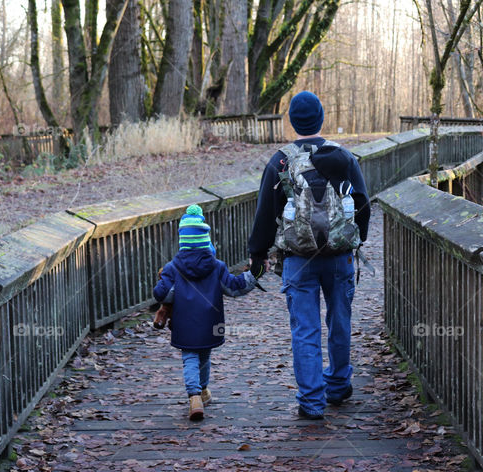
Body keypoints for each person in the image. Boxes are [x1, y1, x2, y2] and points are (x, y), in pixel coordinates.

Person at [248, 91, 370, 419]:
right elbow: (362, 203)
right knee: (339, 321)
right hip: (340, 255)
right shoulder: (344, 156)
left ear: (292, 120)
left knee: (305, 329)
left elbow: (265, 213)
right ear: (321, 118)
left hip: (298, 259)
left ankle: (312, 402)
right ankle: (339, 386)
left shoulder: (281, 161)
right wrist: (356, 240)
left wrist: (257, 255)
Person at [153, 204, 257, 421]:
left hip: (184, 322)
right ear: (206, 241)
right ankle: (204, 390)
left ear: (182, 241)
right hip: (210, 322)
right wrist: (254, 274)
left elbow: (161, 295)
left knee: (189, 356)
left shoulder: (173, 267)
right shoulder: (217, 266)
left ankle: (194, 396)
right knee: (204, 355)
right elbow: (234, 287)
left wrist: (164, 282)